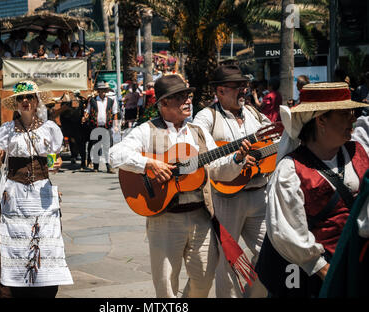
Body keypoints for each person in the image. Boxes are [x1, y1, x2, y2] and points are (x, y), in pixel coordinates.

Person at [109, 74, 253, 298]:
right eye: (180, 97)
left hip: (200, 216)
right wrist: (149, 164)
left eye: (188, 96)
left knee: (204, 278)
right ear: (163, 103)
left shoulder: (198, 132)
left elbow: (218, 168)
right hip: (165, 218)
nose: (188, 101)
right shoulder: (146, 130)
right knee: (166, 284)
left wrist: (236, 160)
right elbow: (115, 155)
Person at [257, 82, 369, 298]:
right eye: (345, 113)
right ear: (321, 120)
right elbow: (287, 230)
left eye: (352, 112)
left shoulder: (358, 152)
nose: (353, 119)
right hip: (314, 278)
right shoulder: (291, 169)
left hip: (355, 265)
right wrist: (323, 269)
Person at [0, 80, 73, 298]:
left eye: (29, 97)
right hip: (15, 191)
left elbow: (56, 161)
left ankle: (44, 285)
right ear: (16, 103)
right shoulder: (6, 131)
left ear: (36, 102)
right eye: (21, 98)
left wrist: (56, 165)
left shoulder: (50, 129)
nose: (25, 101)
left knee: (44, 238)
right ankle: (14, 285)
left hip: (41, 192)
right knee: (16, 239)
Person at [193, 65, 271, 298]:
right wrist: (236, 159)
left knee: (269, 252)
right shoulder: (206, 117)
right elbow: (206, 161)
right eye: (237, 87)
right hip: (226, 197)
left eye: (244, 86)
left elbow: (274, 137)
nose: (243, 91)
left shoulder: (255, 114)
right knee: (227, 261)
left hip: (260, 193)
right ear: (220, 91)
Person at [84, 81, 119, 173]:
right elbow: (87, 111)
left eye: (104, 90)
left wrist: (116, 125)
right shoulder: (92, 100)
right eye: (101, 90)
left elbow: (115, 113)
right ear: (98, 91)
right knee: (96, 147)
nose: (102, 92)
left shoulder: (111, 101)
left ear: (106, 91)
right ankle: (96, 167)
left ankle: (109, 167)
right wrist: (85, 117)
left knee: (108, 147)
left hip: (107, 127)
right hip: (95, 127)